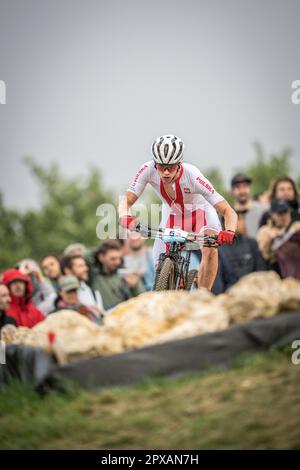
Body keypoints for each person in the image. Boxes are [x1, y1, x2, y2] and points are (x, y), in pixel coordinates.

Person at [119, 134, 237, 291]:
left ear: (179, 164)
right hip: (173, 214)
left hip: (200, 212)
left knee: (210, 249)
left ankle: (203, 293)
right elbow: (126, 200)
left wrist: (229, 231)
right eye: (161, 167)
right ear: (155, 164)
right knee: (159, 266)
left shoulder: (193, 176)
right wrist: (124, 216)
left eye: (171, 167)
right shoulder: (147, 170)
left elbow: (228, 210)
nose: (166, 173)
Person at [91, 240, 145, 310]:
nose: (117, 262)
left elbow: (143, 298)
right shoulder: (94, 275)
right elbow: (85, 255)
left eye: (119, 258)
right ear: (101, 257)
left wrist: (135, 287)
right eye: (113, 259)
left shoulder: (126, 273)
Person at [257, 199, 300, 278]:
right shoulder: (265, 231)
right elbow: (265, 255)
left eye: (286, 212)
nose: (284, 216)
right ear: (272, 215)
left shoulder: (297, 227)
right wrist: (270, 240)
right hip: (275, 272)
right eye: (280, 213)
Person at [230, 173, 269, 237]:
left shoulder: (264, 210)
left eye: (245, 186)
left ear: (250, 188)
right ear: (232, 191)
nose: (242, 191)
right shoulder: (228, 214)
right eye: (238, 187)